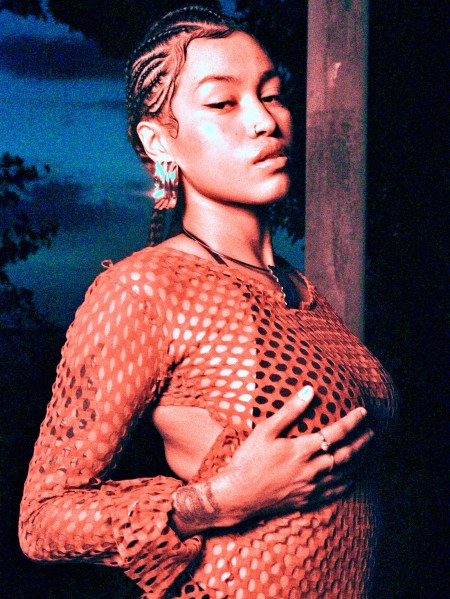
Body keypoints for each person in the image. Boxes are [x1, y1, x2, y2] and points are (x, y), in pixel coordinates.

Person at [19, 5, 397, 598]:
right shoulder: (145, 289)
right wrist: (216, 501)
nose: (264, 121)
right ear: (158, 141)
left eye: (271, 95)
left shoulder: (300, 290)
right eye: (223, 103)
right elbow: (42, 519)